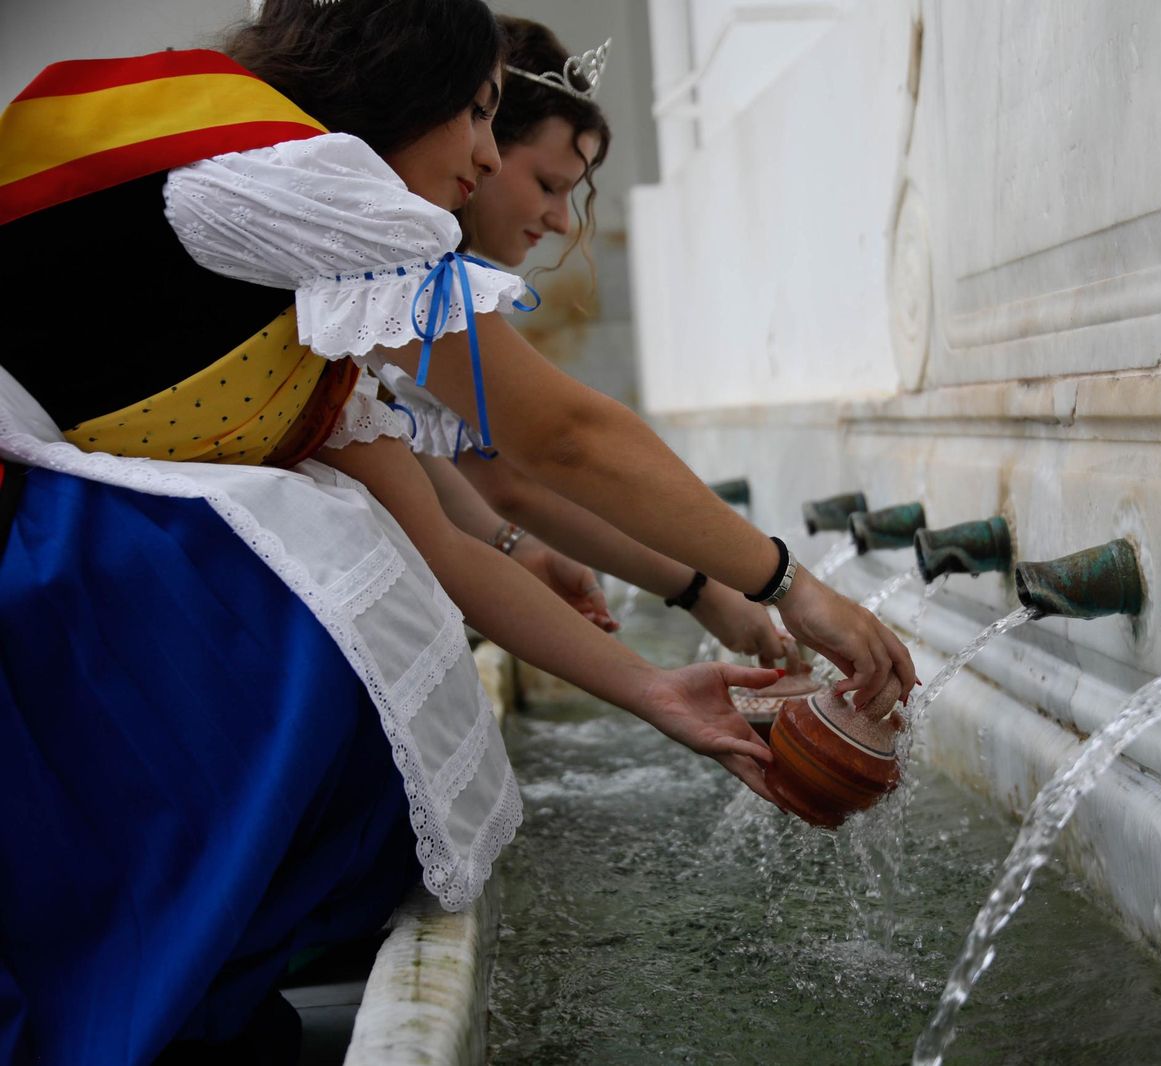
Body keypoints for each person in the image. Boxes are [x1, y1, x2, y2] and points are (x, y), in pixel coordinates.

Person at [0, 1, 910, 1060]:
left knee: (359, 565)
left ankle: (193, 981)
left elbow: (442, 544)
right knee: (323, 609)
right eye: (478, 113)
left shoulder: (287, 266)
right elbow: (555, 439)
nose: (482, 151)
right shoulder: (317, 189)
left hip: (54, 600)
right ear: (399, 85)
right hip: (51, 587)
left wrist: (655, 690)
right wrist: (787, 584)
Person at [386, 14, 790, 664]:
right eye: (548, 185)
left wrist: (517, 549)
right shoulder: (395, 267)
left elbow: (454, 470)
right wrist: (747, 586)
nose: (560, 218)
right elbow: (551, 455)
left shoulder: (417, 269)